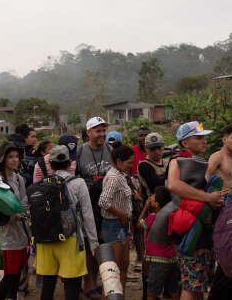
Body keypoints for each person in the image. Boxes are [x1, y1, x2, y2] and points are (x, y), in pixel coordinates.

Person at [166, 121, 222, 300]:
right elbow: (174, 185)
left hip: (202, 230)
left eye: (204, 137)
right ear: (184, 143)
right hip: (189, 229)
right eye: (198, 138)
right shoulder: (177, 161)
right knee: (191, 284)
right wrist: (208, 198)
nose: (204, 141)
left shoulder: (200, 163)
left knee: (198, 284)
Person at [36, 145, 99, 300]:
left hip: (46, 241)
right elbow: (87, 214)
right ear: (70, 162)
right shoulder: (78, 183)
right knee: (72, 286)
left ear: (50, 164)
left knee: (48, 285)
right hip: (70, 239)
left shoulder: (42, 183)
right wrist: (93, 242)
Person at [77, 116, 113, 298]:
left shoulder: (111, 150)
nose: (102, 134)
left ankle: (98, 281)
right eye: (98, 131)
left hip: (107, 206)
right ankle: (88, 283)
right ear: (89, 133)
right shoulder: (79, 152)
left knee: (103, 243)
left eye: (104, 130)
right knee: (89, 243)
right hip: (87, 205)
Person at [0, 142, 29, 300]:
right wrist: (15, 214)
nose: (15, 160)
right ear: (3, 159)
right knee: (9, 275)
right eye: (10, 157)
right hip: (7, 235)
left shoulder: (19, 179)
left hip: (22, 232)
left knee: (16, 273)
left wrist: (22, 213)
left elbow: (24, 202)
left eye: (16, 157)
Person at [99, 145, 135, 294]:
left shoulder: (120, 174)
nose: (131, 165)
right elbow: (103, 202)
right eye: (129, 162)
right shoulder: (114, 177)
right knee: (114, 271)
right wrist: (121, 214)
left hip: (121, 225)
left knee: (123, 266)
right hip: (113, 226)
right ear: (119, 161)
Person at [139, 187, 180, 300]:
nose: (149, 197)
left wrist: (145, 207)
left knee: (152, 292)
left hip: (158, 260)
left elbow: (139, 224)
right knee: (173, 289)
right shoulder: (169, 214)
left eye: (152, 197)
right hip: (171, 257)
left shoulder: (153, 217)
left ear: (156, 205)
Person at [137, 133, 166, 199]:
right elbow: (156, 186)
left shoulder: (166, 162)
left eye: (159, 148)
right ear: (146, 149)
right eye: (152, 149)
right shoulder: (144, 165)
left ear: (163, 147)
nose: (156, 151)